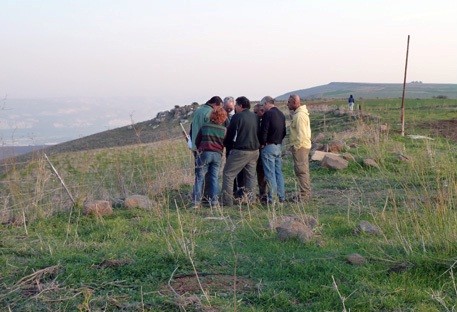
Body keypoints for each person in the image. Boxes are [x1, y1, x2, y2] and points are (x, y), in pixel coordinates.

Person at [221, 96, 260, 206]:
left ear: (241, 106)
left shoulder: (237, 117)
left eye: (236, 105)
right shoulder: (255, 117)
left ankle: (227, 201)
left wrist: (227, 145)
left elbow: (231, 134)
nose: (235, 108)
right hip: (255, 151)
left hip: (241, 150)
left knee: (228, 174)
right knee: (250, 177)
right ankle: (250, 200)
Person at [192, 107, 228, 208]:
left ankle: (196, 202)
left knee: (199, 178)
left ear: (212, 115)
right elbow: (224, 143)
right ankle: (214, 202)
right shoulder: (224, 130)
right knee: (214, 178)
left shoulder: (205, 127)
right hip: (217, 155)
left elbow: (197, 141)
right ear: (223, 117)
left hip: (204, 153)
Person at [259, 96, 286, 204]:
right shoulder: (281, 114)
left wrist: (263, 143)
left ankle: (272, 198)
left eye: (262, 105)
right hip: (278, 146)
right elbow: (284, 132)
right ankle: (281, 197)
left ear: (266, 103)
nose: (262, 108)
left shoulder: (268, 114)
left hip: (269, 146)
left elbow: (264, 131)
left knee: (270, 174)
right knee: (278, 172)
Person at [287, 94, 311, 202]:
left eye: (289, 102)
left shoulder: (299, 116)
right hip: (302, 146)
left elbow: (302, 134)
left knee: (301, 170)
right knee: (301, 170)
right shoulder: (299, 114)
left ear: (295, 102)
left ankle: (304, 195)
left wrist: (296, 147)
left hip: (300, 147)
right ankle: (304, 193)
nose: (287, 104)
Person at [253, 103, 268, 203]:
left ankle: (264, 194)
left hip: (263, 149)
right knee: (260, 172)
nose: (254, 114)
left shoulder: (264, 121)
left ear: (261, 111)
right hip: (260, 148)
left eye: (255, 112)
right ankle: (262, 193)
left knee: (262, 172)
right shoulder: (257, 121)